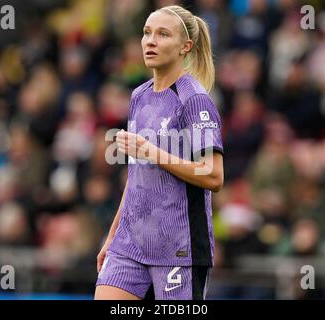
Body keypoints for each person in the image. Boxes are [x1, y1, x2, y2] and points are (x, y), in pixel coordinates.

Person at [94, 5, 224, 300]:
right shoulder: (139, 96)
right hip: (129, 246)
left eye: (163, 34)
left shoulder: (195, 100)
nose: (150, 41)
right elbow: (137, 177)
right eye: (147, 33)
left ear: (185, 47)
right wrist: (112, 236)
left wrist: (153, 152)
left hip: (179, 248)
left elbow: (214, 175)